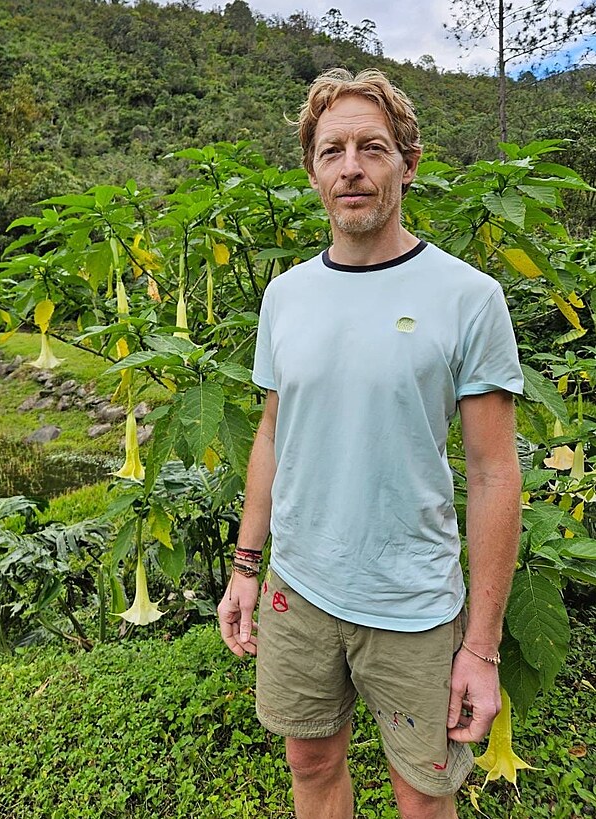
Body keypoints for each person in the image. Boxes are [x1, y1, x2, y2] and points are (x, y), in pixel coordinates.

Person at [217, 67, 523, 819]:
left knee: (423, 791)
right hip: (299, 588)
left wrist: (481, 647)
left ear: (407, 164)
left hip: (412, 604)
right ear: (313, 171)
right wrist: (246, 565)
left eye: (372, 148)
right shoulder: (285, 295)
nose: (350, 167)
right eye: (332, 151)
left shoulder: (469, 297)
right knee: (310, 761)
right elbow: (273, 430)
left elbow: (493, 473)